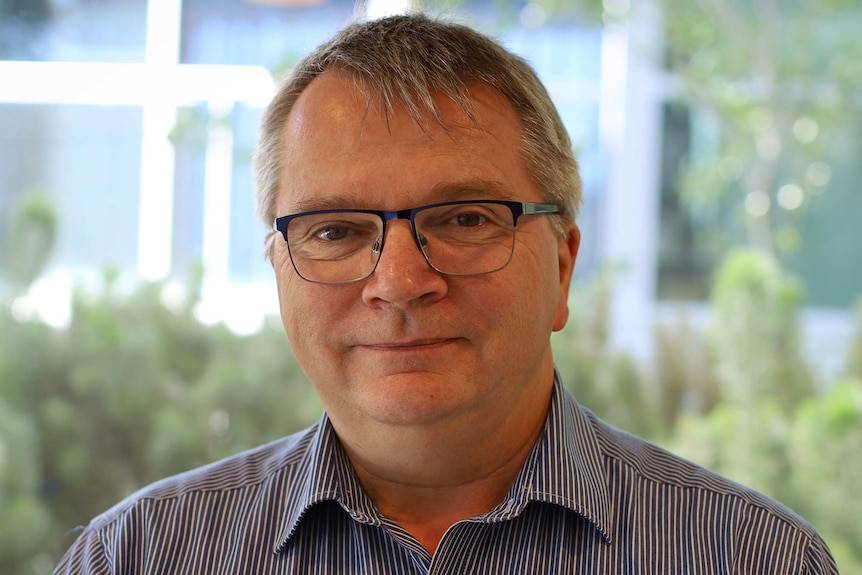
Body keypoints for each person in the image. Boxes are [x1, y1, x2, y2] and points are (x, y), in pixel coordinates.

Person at [54, 13, 838, 575]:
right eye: (334, 230)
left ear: (563, 266)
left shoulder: (753, 557)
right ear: (278, 272)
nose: (398, 281)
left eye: (465, 218)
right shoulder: (135, 556)